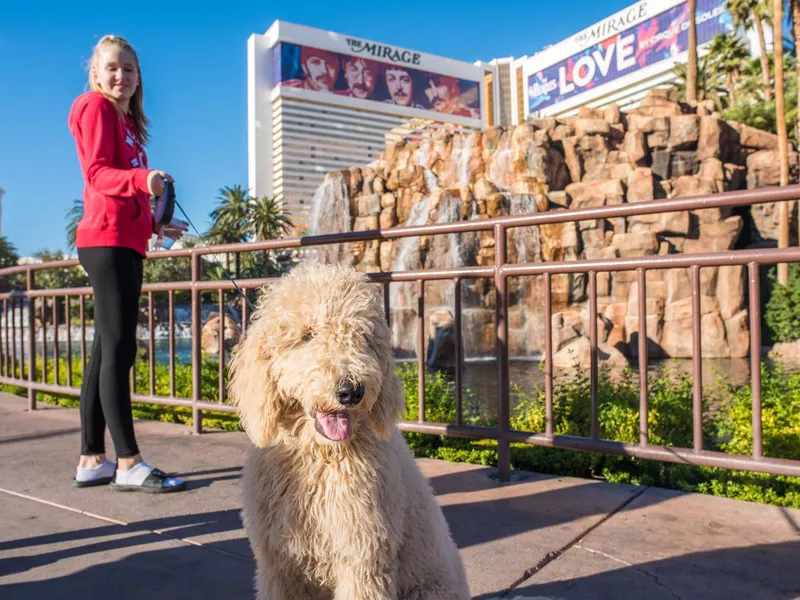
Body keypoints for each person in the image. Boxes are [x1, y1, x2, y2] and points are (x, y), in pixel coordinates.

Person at [68, 34, 187, 493]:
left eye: (130, 70)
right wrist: (144, 177)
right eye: (113, 68)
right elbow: (97, 175)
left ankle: (91, 458)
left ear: (139, 79)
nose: (122, 76)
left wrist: (156, 226)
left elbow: (121, 193)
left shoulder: (127, 124)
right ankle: (128, 462)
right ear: (96, 74)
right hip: (106, 243)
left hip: (124, 241)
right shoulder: (93, 108)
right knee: (120, 349)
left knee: (107, 351)